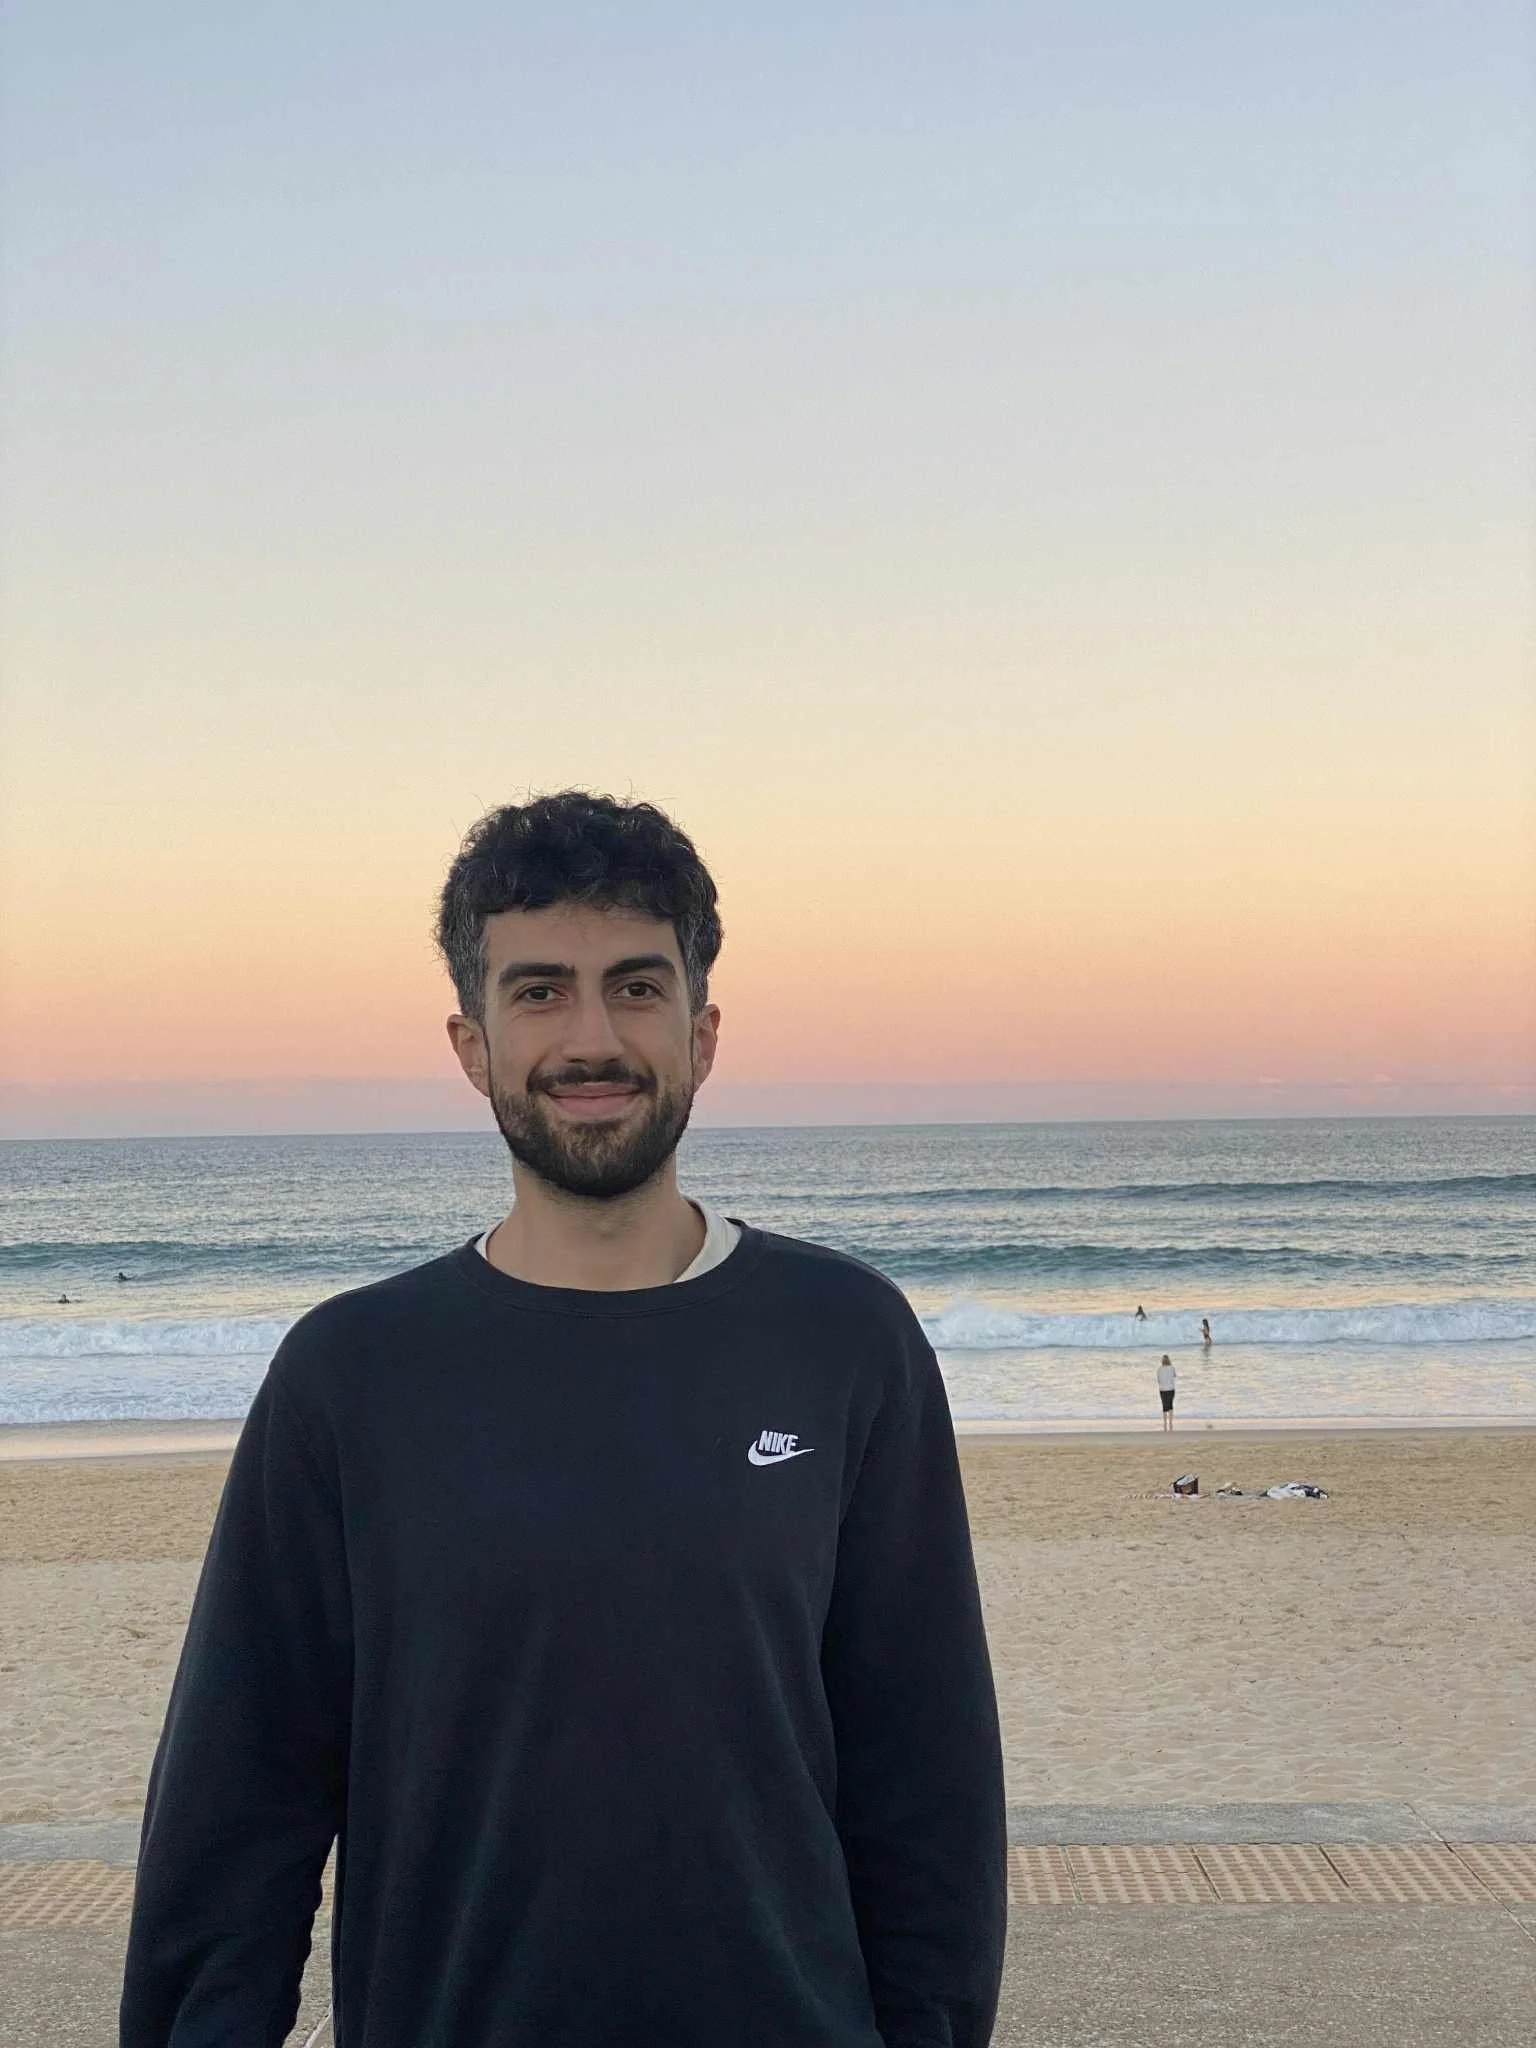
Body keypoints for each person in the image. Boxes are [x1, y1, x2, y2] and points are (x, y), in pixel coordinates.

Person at [121, 791, 1007, 2048]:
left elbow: (930, 1792)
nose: (592, 1037)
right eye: (538, 990)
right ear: (471, 1043)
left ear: (702, 1032)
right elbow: (233, 1814)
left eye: (635, 986)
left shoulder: (846, 1340)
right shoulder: (351, 1374)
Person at [1157, 1353, 1177, 1430]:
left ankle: (1165, 1423)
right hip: (1171, 1389)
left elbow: (1158, 1380)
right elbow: (1174, 1376)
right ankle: (1171, 1422)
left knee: (1164, 1406)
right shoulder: (1172, 1368)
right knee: (1170, 1405)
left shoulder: (1159, 1369)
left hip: (1162, 1389)